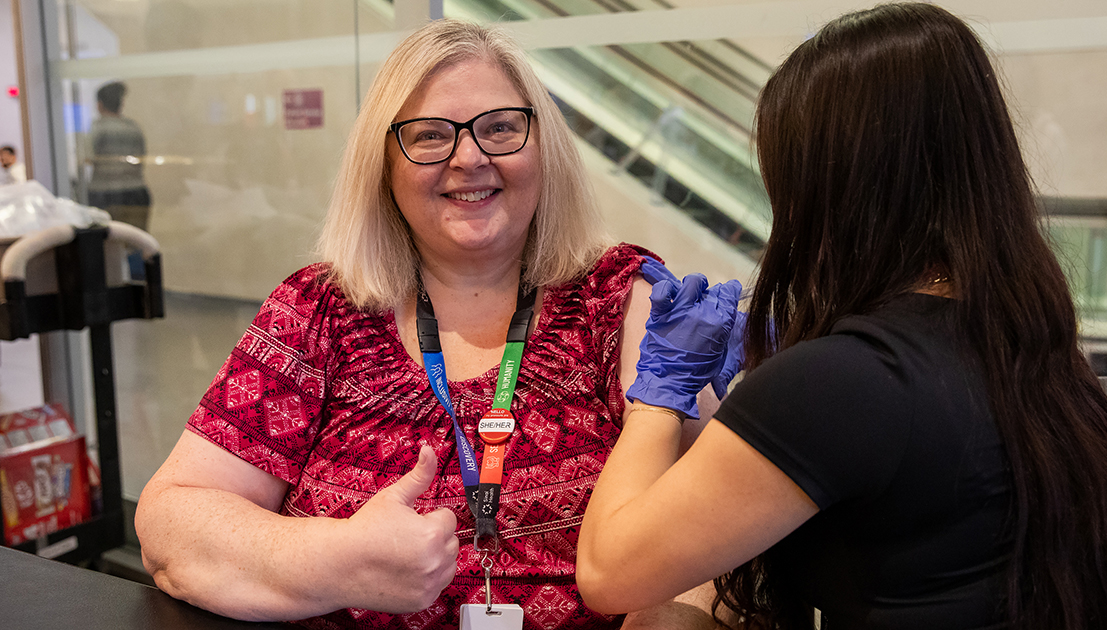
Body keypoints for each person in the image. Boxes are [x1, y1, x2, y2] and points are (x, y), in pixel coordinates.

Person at [577, 4, 1107, 630]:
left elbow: (611, 573)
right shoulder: (1025, 341)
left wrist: (659, 398)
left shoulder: (844, 382)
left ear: (827, 186)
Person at [135, 19, 721, 630]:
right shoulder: (319, 309)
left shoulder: (619, 301)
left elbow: (704, 540)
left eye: (500, 128)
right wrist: (336, 561)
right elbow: (171, 523)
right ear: (382, 165)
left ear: (544, 145)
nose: (469, 158)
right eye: (430, 136)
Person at [88, 81, 151, 231]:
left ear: (99, 104)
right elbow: (142, 157)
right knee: (136, 242)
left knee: (110, 245)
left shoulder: (97, 128)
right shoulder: (133, 127)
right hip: (137, 194)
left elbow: (86, 158)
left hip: (106, 196)